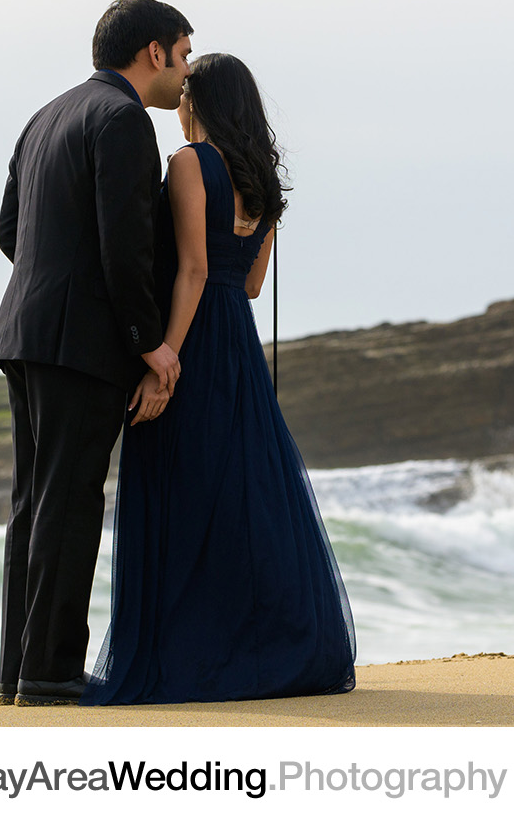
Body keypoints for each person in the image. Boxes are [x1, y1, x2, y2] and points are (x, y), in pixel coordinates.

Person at [81, 54, 356, 705]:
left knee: (179, 489)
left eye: (184, 94)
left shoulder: (186, 164)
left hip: (196, 338)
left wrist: (164, 360)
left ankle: (185, 652)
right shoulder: (266, 184)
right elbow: (251, 283)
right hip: (239, 342)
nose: (177, 102)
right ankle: (264, 646)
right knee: (242, 496)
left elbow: (193, 271)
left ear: (196, 104)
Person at [0, 0, 191, 706]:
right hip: (82, 345)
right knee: (71, 503)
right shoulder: (123, 120)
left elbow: (11, 233)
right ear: (153, 52)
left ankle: (20, 671)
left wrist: (53, 282)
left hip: (23, 333)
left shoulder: (45, 116)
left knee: (32, 505)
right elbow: (126, 247)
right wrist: (149, 345)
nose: (186, 70)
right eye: (184, 52)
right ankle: (49, 677)